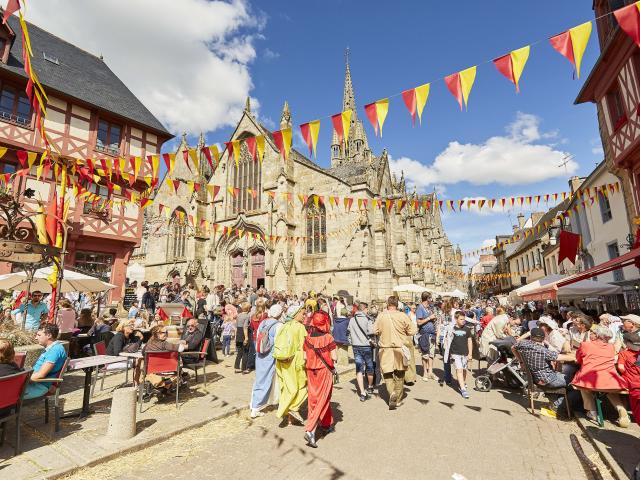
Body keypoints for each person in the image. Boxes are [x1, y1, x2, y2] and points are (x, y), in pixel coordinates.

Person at [572, 325, 630, 427]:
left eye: (593, 333)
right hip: (610, 380)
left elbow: (578, 360)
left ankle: (592, 412)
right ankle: (621, 409)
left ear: (597, 335)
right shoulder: (611, 347)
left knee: (585, 388)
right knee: (610, 391)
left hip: (590, 380)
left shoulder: (585, 345)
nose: (591, 334)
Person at [515, 327, 576, 415]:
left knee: (562, 377)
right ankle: (558, 405)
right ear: (543, 338)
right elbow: (560, 357)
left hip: (535, 379)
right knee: (576, 384)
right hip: (547, 380)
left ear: (531, 337)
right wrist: (575, 357)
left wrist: (520, 361)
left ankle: (555, 402)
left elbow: (513, 347)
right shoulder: (543, 351)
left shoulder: (523, 344)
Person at [373, 296, 417, 410]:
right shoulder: (403, 315)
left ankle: (392, 393)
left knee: (387, 374)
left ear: (388, 304)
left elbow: (374, 330)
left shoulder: (381, 316)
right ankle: (397, 399)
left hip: (385, 349)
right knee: (400, 375)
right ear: (397, 305)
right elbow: (413, 331)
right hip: (399, 349)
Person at [303, 311, 337, 448]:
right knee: (323, 398)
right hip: (324, 370)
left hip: (311, 370)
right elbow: (334, 357)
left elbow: (304, 357)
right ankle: (310, 430)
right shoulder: (328, 338)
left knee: (313, 399)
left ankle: (326, 423)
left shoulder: (307, 338)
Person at [273, 305, 308, 425]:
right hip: (296, 361)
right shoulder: (300, 327)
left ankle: (289, 418)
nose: (305, 316)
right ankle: (293, 407)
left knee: (287, 388)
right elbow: (305, 346)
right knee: (302, 387)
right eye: (303, 314)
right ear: (295, 314)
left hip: (282, 361)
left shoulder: (284, 325)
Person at [250, 304, 284, 418]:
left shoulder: (263, 322)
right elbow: (280, 342)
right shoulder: (279, 325)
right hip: (270, 356)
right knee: (267, 379)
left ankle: (254, 403)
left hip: (260, 355)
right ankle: (256, 407)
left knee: (259, 379)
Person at [23, 324, 67, 399]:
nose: (36, 338)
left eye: (39, 335)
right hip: (33, 382)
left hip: (38, 386)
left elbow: (40, 375)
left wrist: (20, 380)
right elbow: (33, 367)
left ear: (49, 335)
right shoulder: (50, 348)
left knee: (5, 393)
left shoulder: (55, 350)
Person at [443, 311, 474, 399]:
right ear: (456, 319)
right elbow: (448, 342)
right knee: (459, 369)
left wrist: (470, 354)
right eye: (461, 319)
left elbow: (469, 341)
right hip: (455, 353)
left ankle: (462, 383)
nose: (463, 321)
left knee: (464, 370)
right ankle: (463, 389)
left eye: (464, 319)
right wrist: (448, 354)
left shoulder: (467, 329)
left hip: (465, 353)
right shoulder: (452, 329)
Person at [348, 302, 375, 401]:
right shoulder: (368, 319)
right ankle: (370, 387)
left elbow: (348, 333)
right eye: (367, 309)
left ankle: (362, 393)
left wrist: (353, 341)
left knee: (359, 369)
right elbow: (371, 332)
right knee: (369, 367)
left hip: (356, 346)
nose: (368, 311)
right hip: (366, 346)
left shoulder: (351, 320)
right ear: (364, 309)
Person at [617, 331, 640, 427]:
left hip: (632, 384)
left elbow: (621, 368)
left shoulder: (624, 354)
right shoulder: (637, 354)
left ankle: (621, 409)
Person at [415, 292, 437, 382]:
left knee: (431, 354)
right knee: (425, 354)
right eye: (431, 298)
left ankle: (430, 372)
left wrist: (434, 318)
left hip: (432, 334)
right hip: (424, 334)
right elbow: (419, 322)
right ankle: (425, 372)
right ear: (427, 298)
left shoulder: (429, 308)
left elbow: (432, 318)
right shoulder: (420, 308)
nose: (432, 300)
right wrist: (429, 318)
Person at [234, 302, 251, 373]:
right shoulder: (247, 316)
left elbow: (236, 327)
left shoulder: (238, 315)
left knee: (239, 352)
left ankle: (237, 367)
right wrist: (246, 338)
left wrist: (235, 336)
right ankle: (244, 368)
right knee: (245, 352)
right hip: (244, 334)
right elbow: (245, 327)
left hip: (238, 333)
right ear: (248, 309)